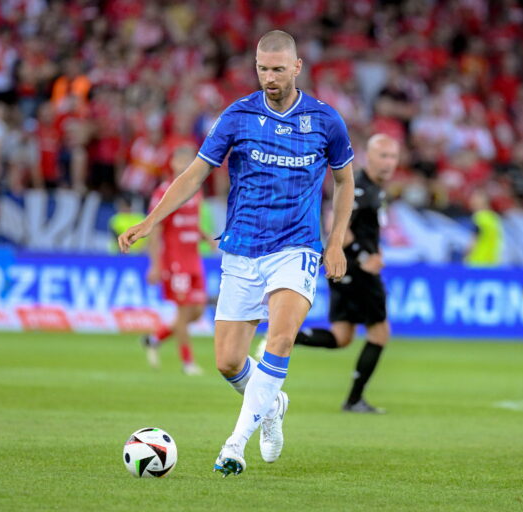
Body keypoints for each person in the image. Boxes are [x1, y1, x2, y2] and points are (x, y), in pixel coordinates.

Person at [117, 30, 355, 477]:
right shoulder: (238, 116)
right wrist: (153, 221)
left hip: (297, 247)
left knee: (281, 338)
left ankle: (235, 444)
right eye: (263, 68)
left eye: (278, 69)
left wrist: (335, 239)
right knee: (228, 361)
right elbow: (194, 175)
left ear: (297, 68)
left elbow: (344, 182)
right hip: (242, 250)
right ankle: (272, 405)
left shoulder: (326, 121)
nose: (269, 76)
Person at [284, 134, 399, 414]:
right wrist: (364, 258)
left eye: (392, 157)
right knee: (380, 333)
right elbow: (338, 227)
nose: (388, 163)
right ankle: (354, 400)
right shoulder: (359, 187)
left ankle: (288, 337)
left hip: (345, 270)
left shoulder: (373, 188)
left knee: (342, 335)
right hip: (355, 270)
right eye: (382, 156)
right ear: (368, 157)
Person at [141, 145, 210, 375]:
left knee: (197, 311)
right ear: (172, 164)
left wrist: (207, 238)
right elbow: (156, 229)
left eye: (188, 162)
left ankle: (155, 339)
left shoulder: (195, 190)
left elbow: (190, 222)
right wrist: (155, 264)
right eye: (180, 161)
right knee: (182, 313)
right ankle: (188, 362)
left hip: (194, 259)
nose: (185, 166)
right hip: (175, 260)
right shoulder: (163, 192)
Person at [465, 189, 503, 267]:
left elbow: (474, 240)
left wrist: (466, 254)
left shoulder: (479, 217)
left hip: (477, 261)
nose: (471, 202)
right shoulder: (494, 218)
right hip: (492, 261)